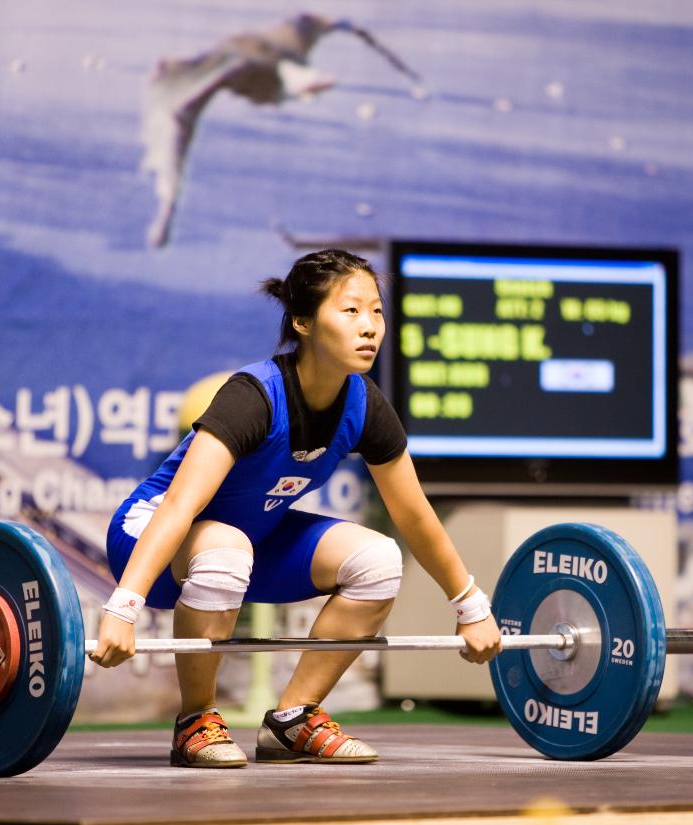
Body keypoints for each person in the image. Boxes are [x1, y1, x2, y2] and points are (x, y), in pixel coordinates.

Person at [91, 249, 502, 768]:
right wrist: (122, 607)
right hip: (148, 535)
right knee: (225, 548)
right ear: (303, 322)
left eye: (376, 311)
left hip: (246, 543)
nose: (370, 327)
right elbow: (180, 504)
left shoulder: (364, 405)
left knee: (377, 561)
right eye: (350, 311)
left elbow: (415, 514)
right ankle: (195, 720)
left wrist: (471, 607)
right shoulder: (253, 396)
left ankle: (294, 720)